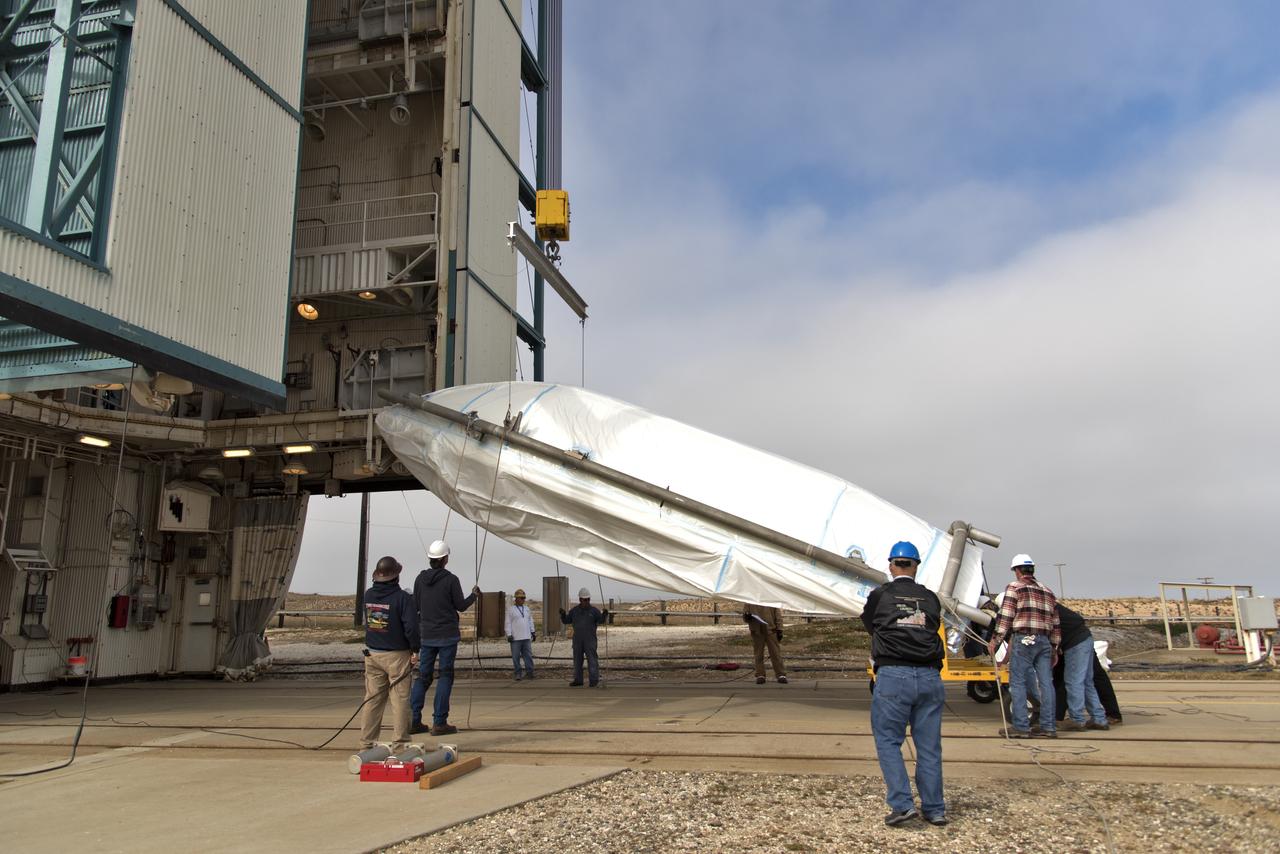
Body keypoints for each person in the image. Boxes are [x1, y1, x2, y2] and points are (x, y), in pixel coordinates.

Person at [861, 541, 947, 828]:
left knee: (888, 741)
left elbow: (869, 623)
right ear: (916, 565)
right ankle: (935, 809)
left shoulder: (880, 594)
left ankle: (902, 805)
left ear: (891, 564)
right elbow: (933, 623)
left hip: (894, 675)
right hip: (929, 677)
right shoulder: (931, 598)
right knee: (929, 747)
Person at [410, 539, 479, 736]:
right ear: (445, 559)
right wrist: (474, 595)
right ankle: (439, 722)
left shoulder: (420, 579)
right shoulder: (451, 580)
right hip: (447, 636)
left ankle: (413, 720)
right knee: (445, 676)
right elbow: (460, 605)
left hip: (427, 635)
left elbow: (415, 605)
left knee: (423, 677)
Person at [988, 553, 1061, 739]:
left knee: (1018, 683)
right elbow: (1056, 623)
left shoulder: (1015, 588)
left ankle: (1021, 727)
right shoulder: (1047, 591)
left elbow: (1005, 617)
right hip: (1044, 641)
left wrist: (995, 641)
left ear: (1017, 571)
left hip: (1024, 639)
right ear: (1032, 569)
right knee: (1046, 684)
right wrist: (1054, 648)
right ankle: (1048, 727)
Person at [359, 556, 419, 750]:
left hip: (372, 655)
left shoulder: (368, 595)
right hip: (397, 656)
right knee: (400, 700)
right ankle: (400, 745)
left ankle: (366, 744)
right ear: (396, 576)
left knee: (373, 700)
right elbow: (411, 627)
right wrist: (415, 649)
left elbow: (369, 623)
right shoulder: (402, 598)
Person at [1053, 602, 1110, 731]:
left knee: (1073, 681)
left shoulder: (1041, 608)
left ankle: (1077, 719)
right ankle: (1099, 719)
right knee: (1086, 682)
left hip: (1075, 643)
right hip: (1084, 637)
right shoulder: (1049, 602)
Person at [560, 587, 607, 687]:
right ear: (580, 600)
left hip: (590, 640)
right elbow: (566, 621)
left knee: (592, 660)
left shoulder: (594, 611)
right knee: (577, 660)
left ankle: (594, 680)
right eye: (584, 600)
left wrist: (604, 615)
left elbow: (601, 621)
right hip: (577, 640)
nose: (586, 601)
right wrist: (563, 615)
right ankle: (578, 680)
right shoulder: (574, 611)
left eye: (588, 599)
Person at [742, 603, 788, 684]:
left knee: (775, 653)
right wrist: (747, 616)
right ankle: (760, 675)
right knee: (758, 654)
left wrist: (780, 629)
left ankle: (781, 674)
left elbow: (778, 615)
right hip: (757, 631)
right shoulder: (749, 600)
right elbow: (745, 616)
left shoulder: (770, 599)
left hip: (771, 630)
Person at [506, 588, 536, 681]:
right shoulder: (511, 610)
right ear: (516, 599)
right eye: (521, 598)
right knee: (516, 657)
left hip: (526, 637)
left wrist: (533, 631)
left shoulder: (527, 609)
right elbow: (507, 623)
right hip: (515, 638)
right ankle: (518, 673)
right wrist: (509, 634)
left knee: (528, 656)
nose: (523, 599)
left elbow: (530, 620)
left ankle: (530, 672)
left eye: (524, 598)